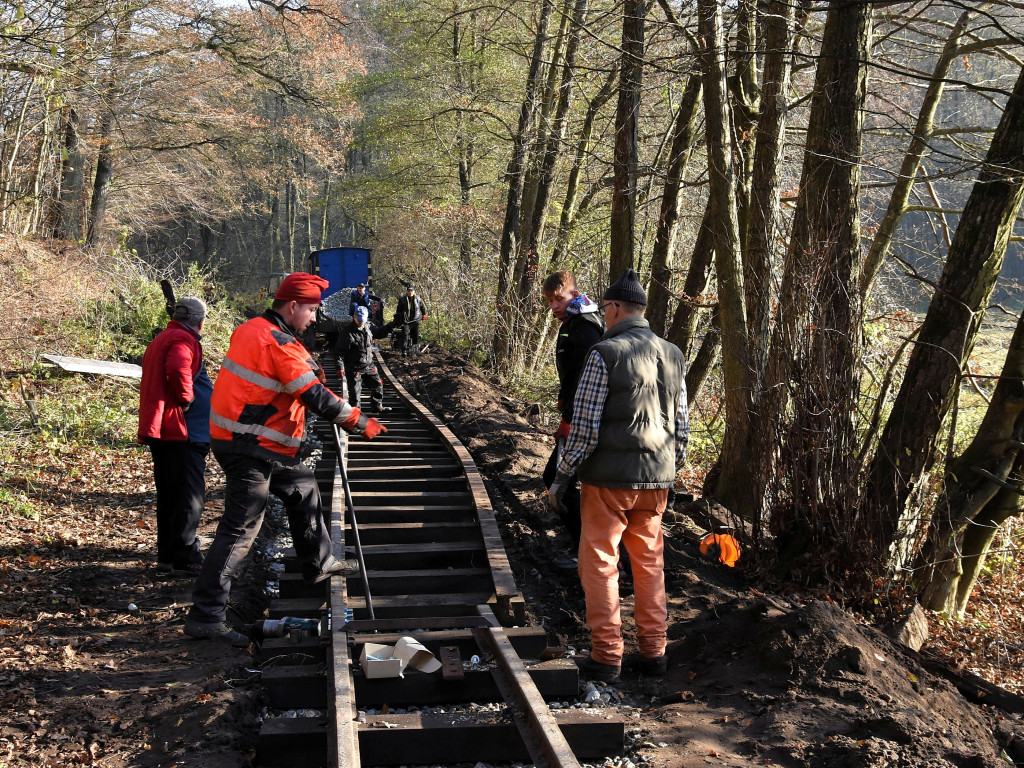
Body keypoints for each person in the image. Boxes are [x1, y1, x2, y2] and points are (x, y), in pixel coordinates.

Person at [185, 272, 387, 646]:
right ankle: (206, 616)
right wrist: (359, 422)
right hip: (249, 445)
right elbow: (313, 395)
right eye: (310, 310)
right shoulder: (277, 342)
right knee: (241, 528)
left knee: (303, 486)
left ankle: (319, 563)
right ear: (292, 306)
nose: (314, 317)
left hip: (253, 440)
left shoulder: (253, 328)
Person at [548, 268, 688, 683]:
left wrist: (563, 475)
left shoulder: (604, 354)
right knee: (649, 564)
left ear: (612, 308)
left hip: (607, 482)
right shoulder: (674, 353)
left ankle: (607, 656)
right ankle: (654, 652)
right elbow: (681, 426)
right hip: (656, 480)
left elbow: (586, 426)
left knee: (600, 564)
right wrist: (671, 470)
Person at [138, 296, 212, 574]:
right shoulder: (182, 339)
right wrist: (186, 399)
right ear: (200, 321)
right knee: (189, 495)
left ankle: (168, 556)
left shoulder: (163, 337)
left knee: (169, 493)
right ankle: (185, 555)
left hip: (166, 430)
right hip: (181, 431)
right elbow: (178, 368)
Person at [540, 271, 604, 570]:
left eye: (559, 299)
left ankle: (589, 553)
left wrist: (569, 417)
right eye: (550, 301)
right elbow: (572, 373)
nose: (554, 305)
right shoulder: (572, 322)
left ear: (574, 294)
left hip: (585, 420)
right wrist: (563, 399)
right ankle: (591, 551)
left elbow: (587, 377)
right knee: (567, 483)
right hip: (578, 414)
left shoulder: (586, 326)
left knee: (557, 480)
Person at [336, 305, 390, 413]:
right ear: (354, 317)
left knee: (378, 385)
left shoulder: (369, 327)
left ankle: (377, 406)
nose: (361, 323)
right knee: (355, 395)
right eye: (359, 321)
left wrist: (392, 325)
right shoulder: (347, 333)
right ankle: (356, 415)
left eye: (363, 321)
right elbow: (339, 352)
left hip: (369, 365)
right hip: (354, 368)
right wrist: (340, 367)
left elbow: (380, 333)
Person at [394, 284, 427, 355]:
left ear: (414, 291)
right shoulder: (402, 300)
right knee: (405, 335)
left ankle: (415, 351)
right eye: (409, 291)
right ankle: (404, 351)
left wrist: (424, 314)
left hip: (415, 320)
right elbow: (398, 311)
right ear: (406, 291)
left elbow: (422, 307)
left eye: (411, 291)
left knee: (415, 336)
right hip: (406, 321)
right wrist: (399, 321)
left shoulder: (418, 299)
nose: (410, 292)